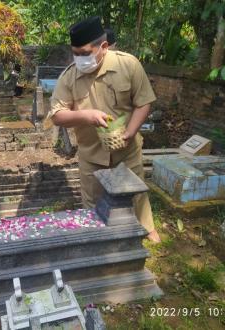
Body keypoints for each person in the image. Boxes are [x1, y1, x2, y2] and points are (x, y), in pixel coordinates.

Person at [49, 16, 160, 243]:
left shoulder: (128, 65)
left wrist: (130, 131)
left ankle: (147, 228)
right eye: (75, 53)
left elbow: (143, 101)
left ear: (104, 47)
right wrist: (85, 115)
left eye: (85, 53)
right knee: (91, 196)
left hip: (126, 147)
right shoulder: (68, 77)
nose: (80, 58)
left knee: (136, 192)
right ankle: (97, 235)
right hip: (91, 152)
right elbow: (57, 115)